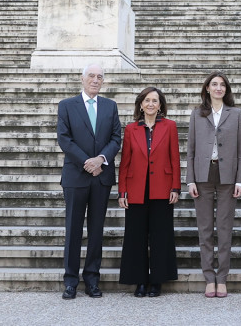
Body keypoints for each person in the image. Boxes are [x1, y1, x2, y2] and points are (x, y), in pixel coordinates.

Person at [57, 63, 121, 300]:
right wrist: (88, 162)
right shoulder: (66, 106)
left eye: (100, 77)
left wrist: (101, 160)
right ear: (82, 78)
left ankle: (92, 279)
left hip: (101, 177)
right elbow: (64, 139)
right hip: (76, 175)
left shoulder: (110, 106)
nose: (96, 80)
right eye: (91, 76)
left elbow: (116, 138)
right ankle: (70, 281)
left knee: (96, 231)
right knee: (73, 230)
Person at [186, 72, 241, 298]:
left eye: (222, 85)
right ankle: (209, 278)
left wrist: (240, 179)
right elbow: (190, 150)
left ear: (226, 89)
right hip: (202, 175)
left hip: (227, 177)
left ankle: (222, 279)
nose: (218, 88)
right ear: (207, 89)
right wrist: (190, 179)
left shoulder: (236, 114)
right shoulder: (197, 114)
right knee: (204, 231)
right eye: (214, 84)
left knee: (224, 229)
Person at [118, 87, 181, 298]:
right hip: (136, 188)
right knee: (135, 237)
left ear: (160, 105)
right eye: (147, 100)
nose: (151, 104)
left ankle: (157, 281)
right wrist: (122, 191)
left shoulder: (170, 126)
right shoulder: (130, 129)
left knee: (160, 236)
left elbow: (175, 158)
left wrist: (175, 187)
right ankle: (140, 282)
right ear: (141, 104)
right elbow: (125, 162)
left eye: (155, 100)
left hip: (162, 188)